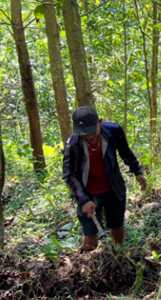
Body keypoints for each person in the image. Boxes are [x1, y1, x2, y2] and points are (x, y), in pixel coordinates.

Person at [63, 106, 147, 251]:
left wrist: (137, 171)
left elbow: (125, 151)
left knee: (117, 224)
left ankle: (117, 255)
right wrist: (83, 199)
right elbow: (70, 175)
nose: (89, 137)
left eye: (92, 132)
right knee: (90, 231)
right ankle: (90, 264)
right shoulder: (73, 145)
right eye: (84, 134)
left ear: (100, 122)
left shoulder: (113, 131)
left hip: (113, 187)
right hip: (88, 191)